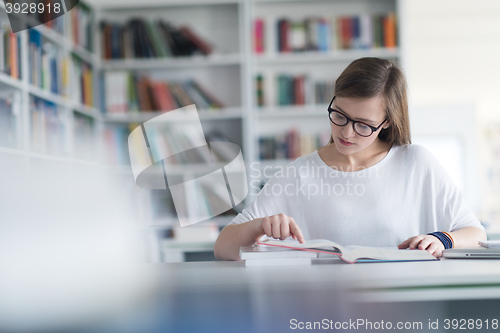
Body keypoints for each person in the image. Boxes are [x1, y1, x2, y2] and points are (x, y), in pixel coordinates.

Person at [214, 57, 486, 261]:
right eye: (340, 115)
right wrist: (259, 226)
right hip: (325, 309)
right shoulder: (298, 174)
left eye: (363, 124)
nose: (346, 132)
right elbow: (222, 247)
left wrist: (442, 239)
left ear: (387, 122)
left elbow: (476, 234)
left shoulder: (416, 163)